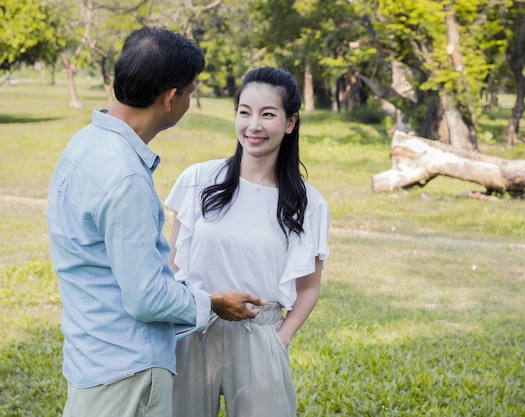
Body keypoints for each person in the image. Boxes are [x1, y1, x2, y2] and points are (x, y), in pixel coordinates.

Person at [46, 27, 265, 417]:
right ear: (170, 98)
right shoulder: (126, 177)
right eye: (190, 90)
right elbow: (146, 297)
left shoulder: (83, 144)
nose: (188, 99)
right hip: (126, 371)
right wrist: (213, 302)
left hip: (90, 355)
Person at [166, 66, 330, 417]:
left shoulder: (308, 203)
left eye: (267, 114)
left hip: (261, 332)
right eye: (245, 112)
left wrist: (281, 337)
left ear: (290, 122)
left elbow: (309, 287)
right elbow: (173, 263)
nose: (253, 125)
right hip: (194, 327)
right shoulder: (198, 179)